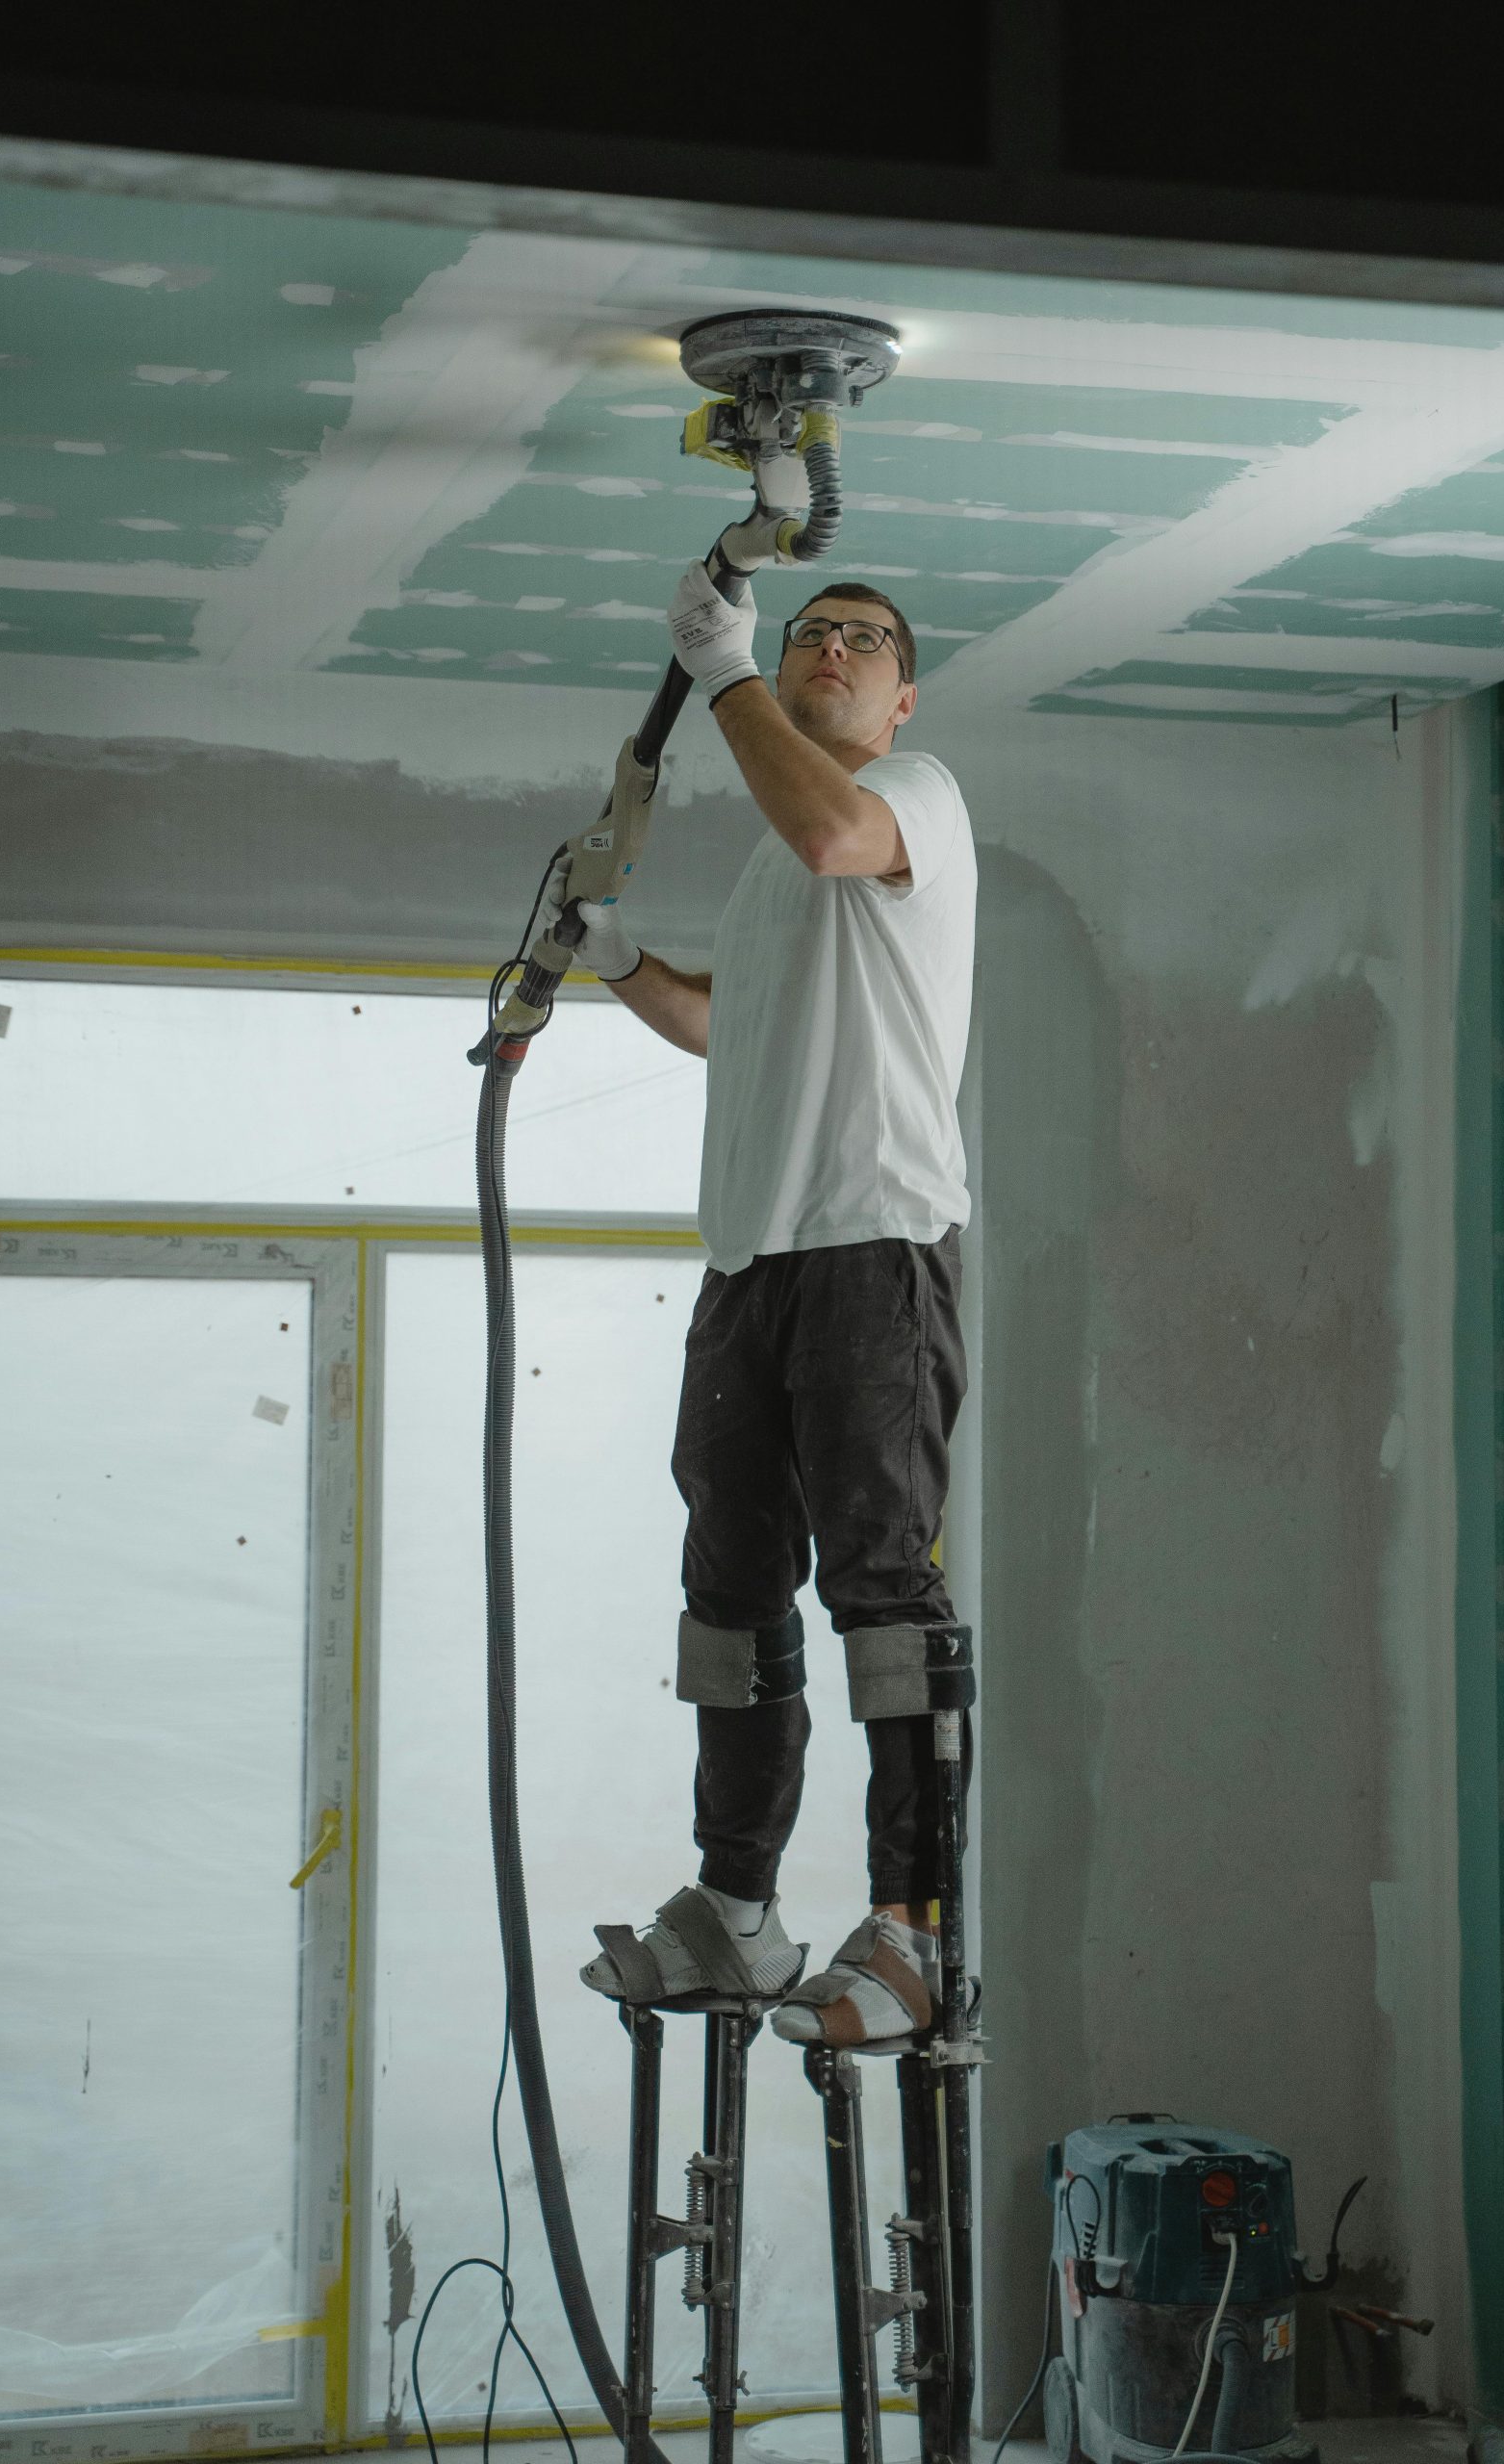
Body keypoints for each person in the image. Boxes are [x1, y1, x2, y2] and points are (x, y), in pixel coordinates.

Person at [548, 560, 977, 2047]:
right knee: (728, 1602)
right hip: (750, 1272)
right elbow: (725, 1028)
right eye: (811, 636)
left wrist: (724, 666)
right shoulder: (775, 876)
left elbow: (830, 820)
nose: (833, 651)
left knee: (882, 1598)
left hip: (873, 1250)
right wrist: (609, 955)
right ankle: (739, 1913)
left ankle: (919, 1935)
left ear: (902, 695)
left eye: (864, 642)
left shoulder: (909, 796)